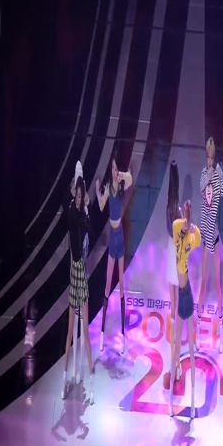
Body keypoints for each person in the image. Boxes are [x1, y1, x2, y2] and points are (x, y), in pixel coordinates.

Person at [95, 148, 132, 355]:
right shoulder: (110, 186)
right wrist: (98, 190)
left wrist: (122, 174)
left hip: (121, 238)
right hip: (113, 234)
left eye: (116, 168)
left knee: (122, 285)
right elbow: (101, 206)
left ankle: (123, 336)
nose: (114, 171)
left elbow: (131, 180)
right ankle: (101, 333)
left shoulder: (122, 184)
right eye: (112, 168)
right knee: (108, 284)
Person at [62, 177, 94, 403]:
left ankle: (91, 384)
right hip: (73, 274)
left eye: (82, 196)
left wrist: (86, 205)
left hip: (80, 273)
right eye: (78, 195)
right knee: (70, 330)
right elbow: (67, 204)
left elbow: (85, 227)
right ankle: (64, 378)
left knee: (86, 331)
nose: (80, 198)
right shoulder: (72, 211)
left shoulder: (82, 216)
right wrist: (73, 188)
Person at [169, 200, 201, 418]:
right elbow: (177, 225)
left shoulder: (190, 237)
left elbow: (198, 237)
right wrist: (185, 219)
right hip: (180, 295)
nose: (185, 223)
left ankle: (192, 401)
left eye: (187, 220)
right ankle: (171, 402)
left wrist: (193, 226)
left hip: (187, 293)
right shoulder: (176, 230)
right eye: (185, 219)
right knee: (176, 347)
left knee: (189, 346)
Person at [196, 137, 223, 353]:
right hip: (205, 232)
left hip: (214, 233)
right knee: (203, 280)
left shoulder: (216, 175)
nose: (209, 160)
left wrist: (219, 173)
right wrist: (208, 173)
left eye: (212, 157)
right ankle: (198, 329)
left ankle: (222, 335)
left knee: (216, 282)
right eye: (207, 157)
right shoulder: (203, 175)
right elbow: (202, 189)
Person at [70, 161, 89, 384]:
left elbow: (85, 236)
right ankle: (74, 366)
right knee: (74, 319)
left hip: (82, 268)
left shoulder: (84, 211)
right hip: (75, 268)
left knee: (82, 319)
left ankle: (81, 368)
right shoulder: (73, 210)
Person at [166, 161, 182, 380]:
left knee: (174, 305)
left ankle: (175, 363)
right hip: (174, 253)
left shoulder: (171, 209)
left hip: (173, 252)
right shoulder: (174, 210)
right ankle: (174, 363)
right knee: (174, 306)